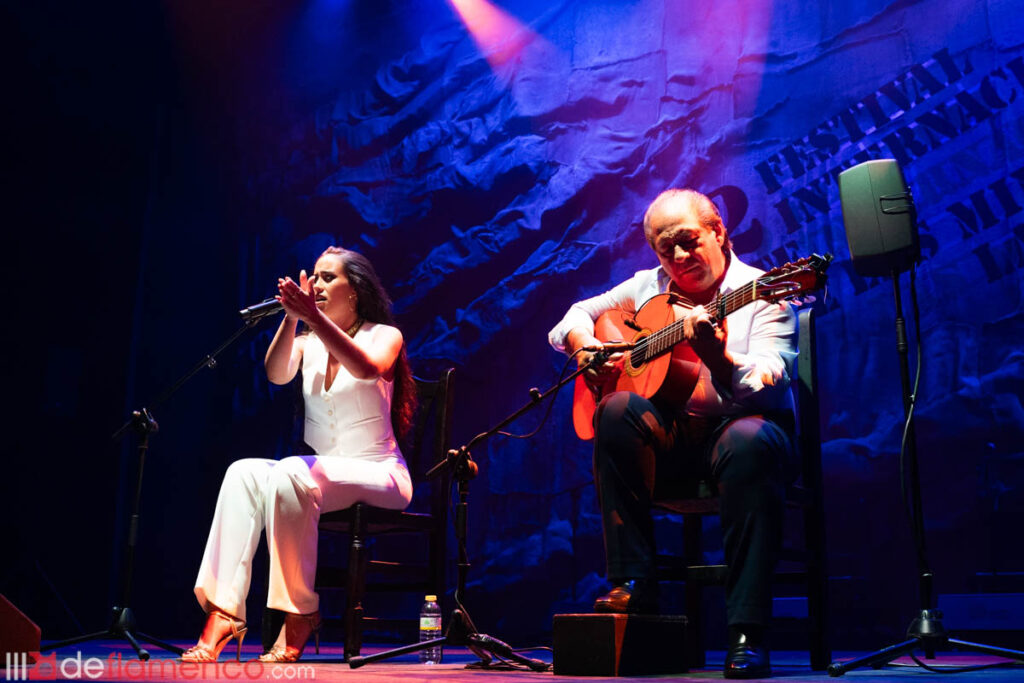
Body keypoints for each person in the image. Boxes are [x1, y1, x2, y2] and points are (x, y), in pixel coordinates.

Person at [548, 189, 798, 679]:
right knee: (617, 408)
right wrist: (585, 347)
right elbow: (572, 318)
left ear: (719, 232)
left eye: (689, 241)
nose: (680, 258)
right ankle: (634, 585)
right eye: (667, 250)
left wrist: (718, 358)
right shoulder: (647, 286)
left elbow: (770, 381)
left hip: (743, 432)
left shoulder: (767, 290)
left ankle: (747, 632)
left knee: (748, 441)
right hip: (675, 444)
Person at [182, 246, 416, 663]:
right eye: (316, 278)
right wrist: (293, 317)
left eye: (330, 278)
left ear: (356, 290)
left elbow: (366, 369)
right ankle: (223, 611)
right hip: (325, 473)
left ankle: (300, 612)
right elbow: (276, 374)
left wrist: (313, 317)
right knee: (243, 473)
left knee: (292, 470)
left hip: (381, 474)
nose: (319, 285)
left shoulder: (384, 335)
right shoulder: (308, 339)